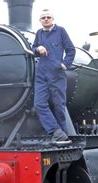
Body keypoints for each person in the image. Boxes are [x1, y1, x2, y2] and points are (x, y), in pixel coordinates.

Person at [32, 9, 76, 143]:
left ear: (53, 19)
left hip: (57, 74)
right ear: (40, 21)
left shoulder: (61, 31)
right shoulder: (39, 33)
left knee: (59, 105)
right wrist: (38, 49)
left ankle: (64, 136)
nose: (46, 19)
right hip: (41, 75)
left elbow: (71, 50)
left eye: (48, 17)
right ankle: (56, 132)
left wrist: (64, 64)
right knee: (39, 104)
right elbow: (33, 50)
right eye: (43, 17)